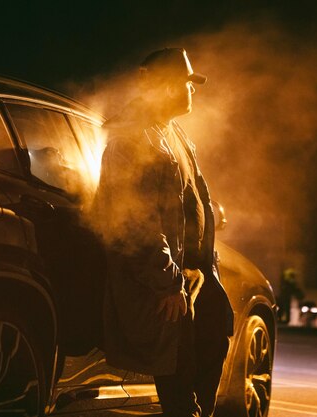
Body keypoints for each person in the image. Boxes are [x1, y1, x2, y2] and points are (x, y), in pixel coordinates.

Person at [93, 48, 234, 417]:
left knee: (214, 341)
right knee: (178, 378)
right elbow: (133, 221)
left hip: (194, 279)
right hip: (167, 287)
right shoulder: (133, 139)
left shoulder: (173, 133)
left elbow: (190, 204)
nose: (193, 91)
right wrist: (169, 283)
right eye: (187, 83)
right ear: (164, 86)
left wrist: (203, 268)